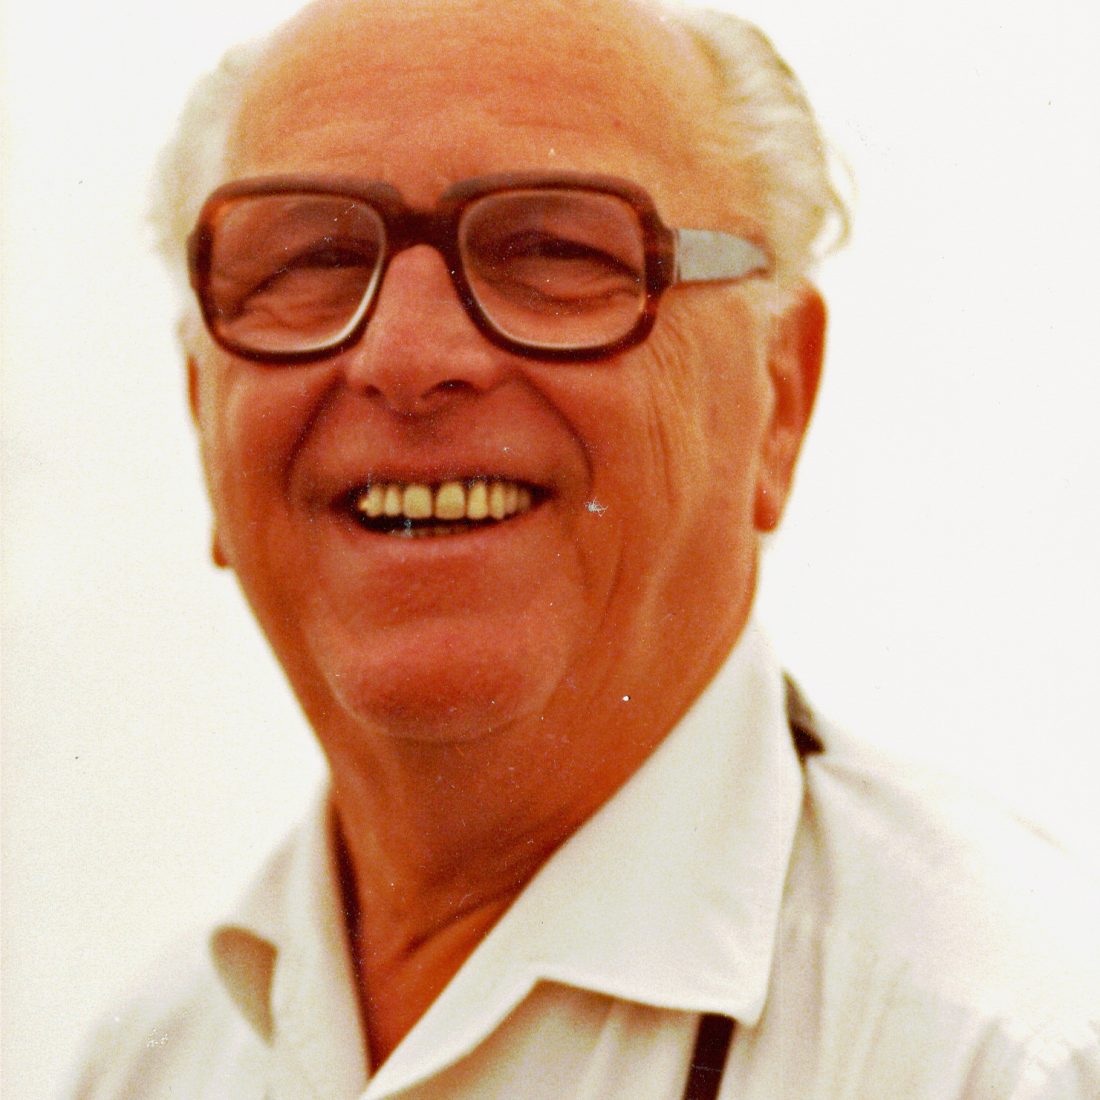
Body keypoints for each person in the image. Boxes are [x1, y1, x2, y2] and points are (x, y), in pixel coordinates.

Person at [65, 0, 1099, 1096]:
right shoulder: (149, 1063)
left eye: (550, 250)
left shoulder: (1011, 1052)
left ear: (779, 398)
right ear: (200, 407)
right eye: (311, 260)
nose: (404, 357)